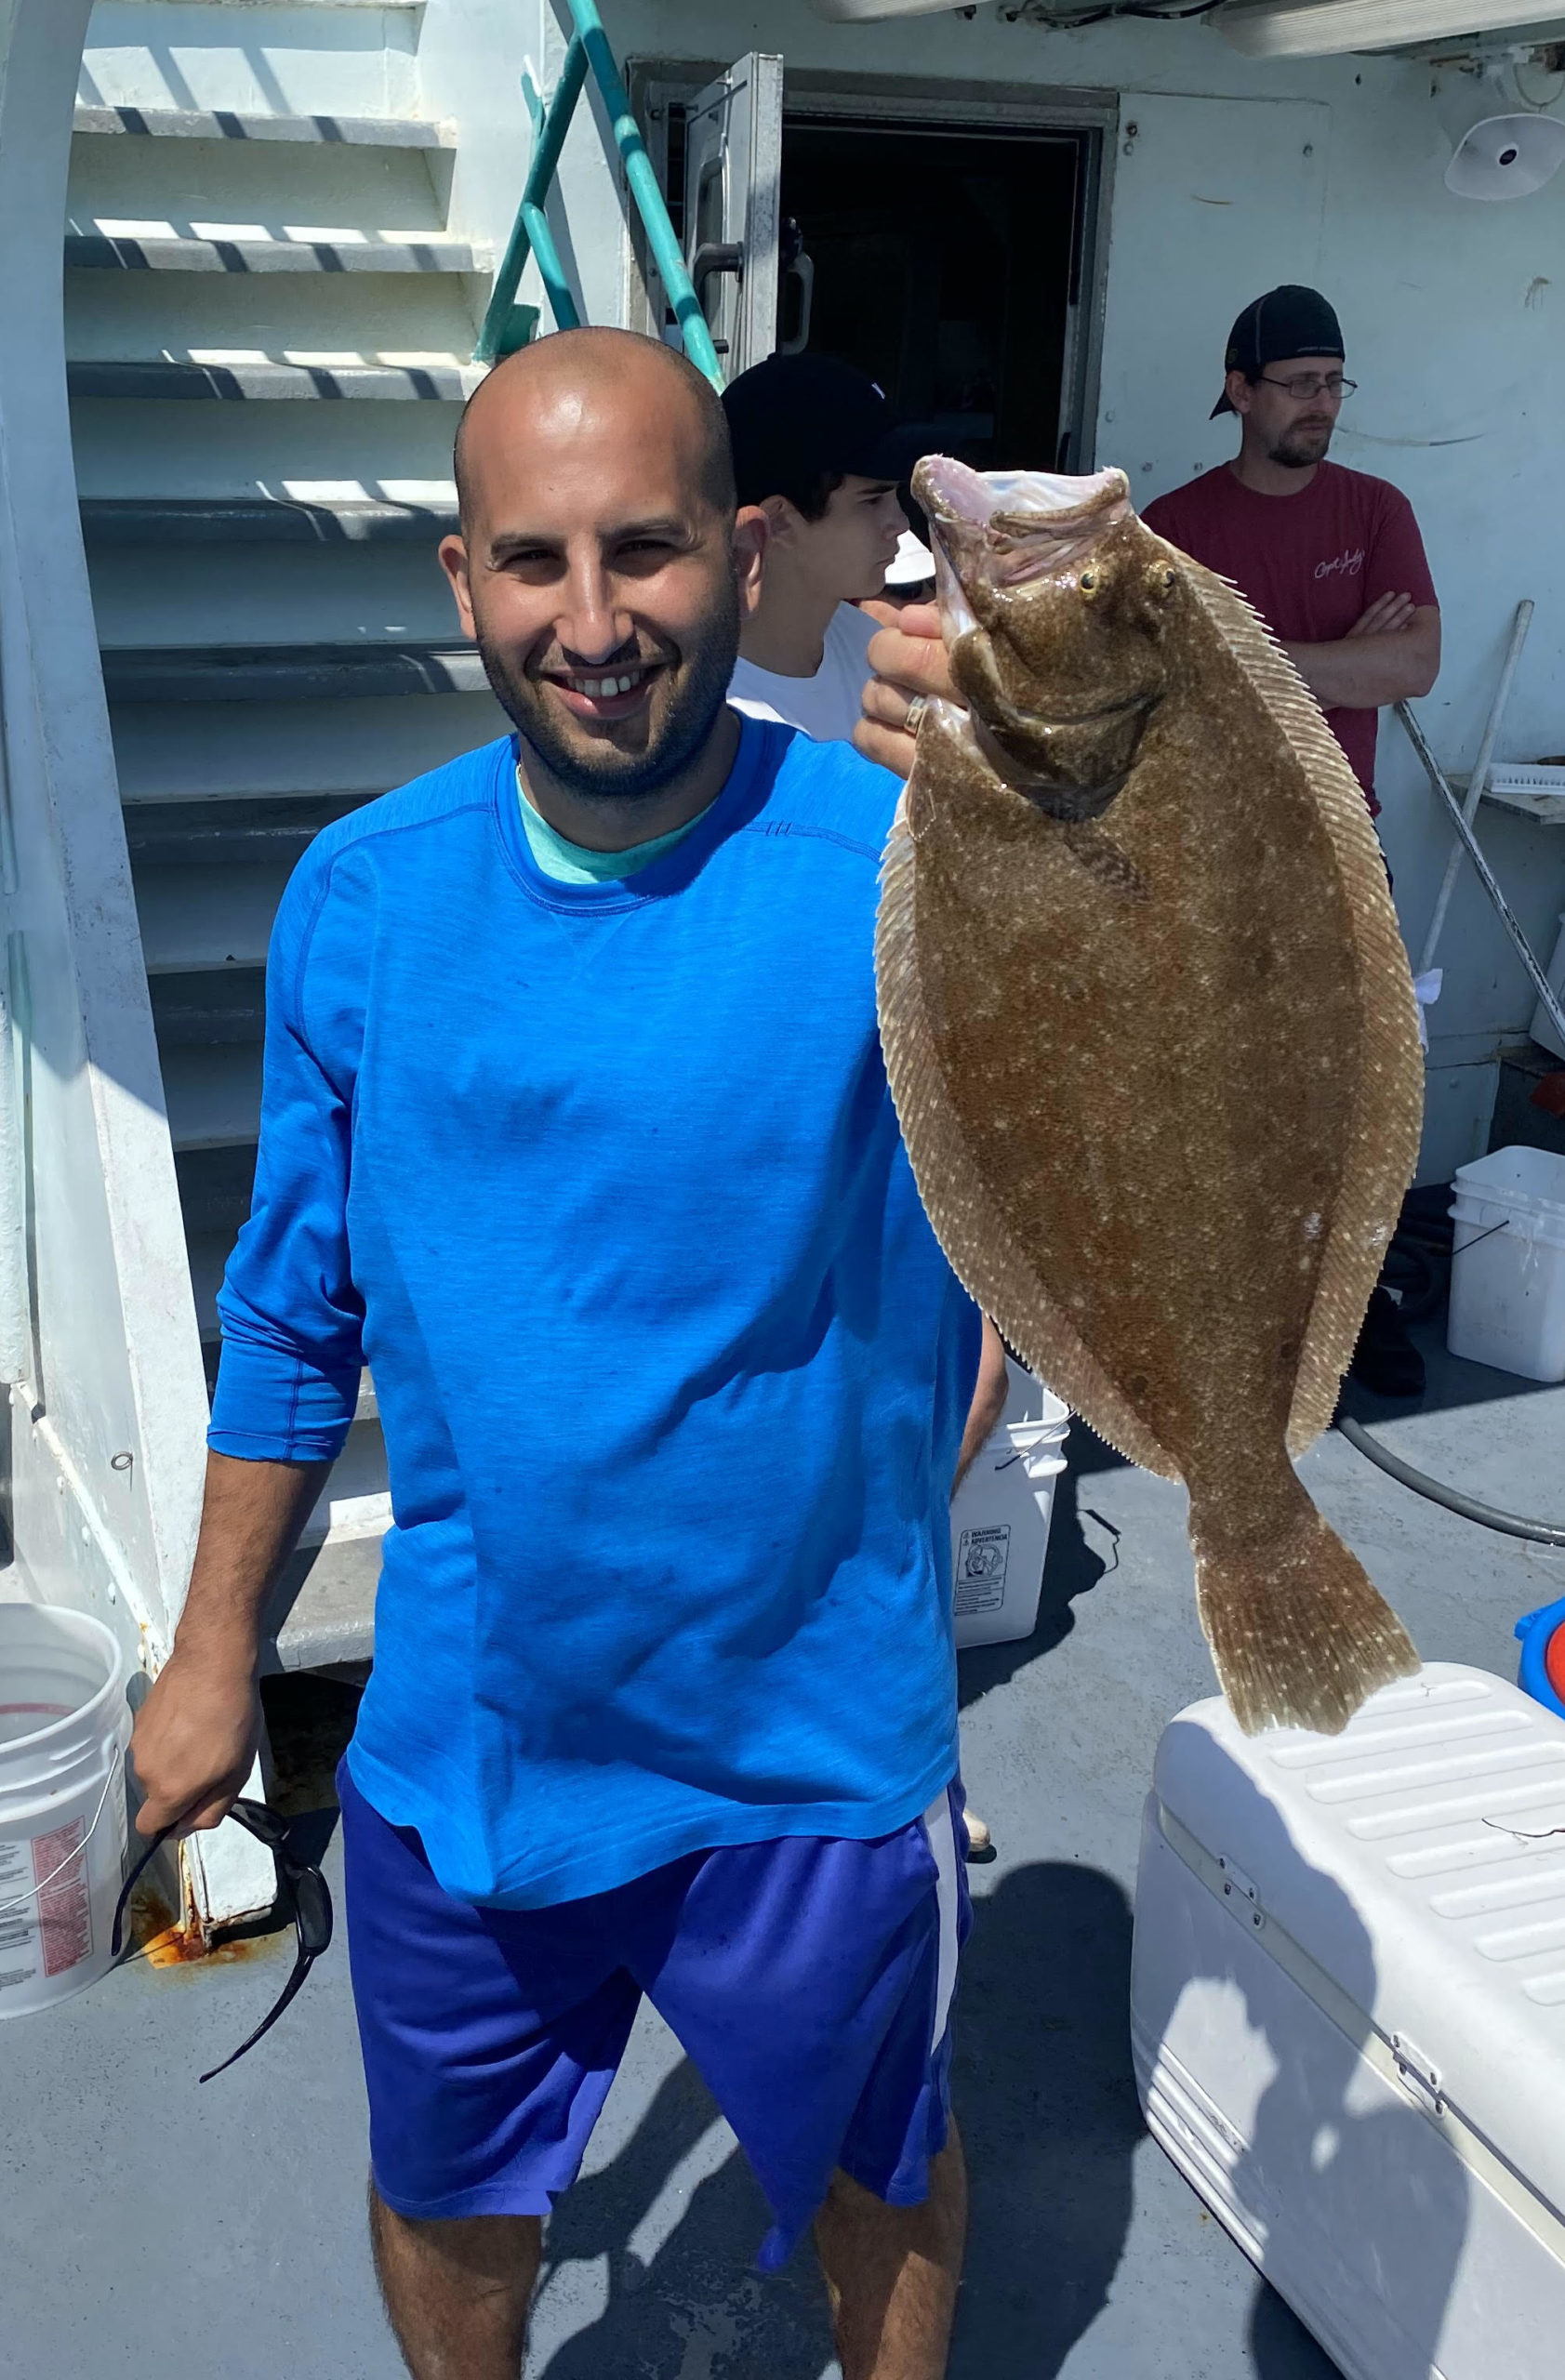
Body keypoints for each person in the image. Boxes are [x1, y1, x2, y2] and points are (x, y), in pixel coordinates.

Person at [128, 325, 983, 2380]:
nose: (592, 623)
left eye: (647, 553)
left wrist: (1060, 801)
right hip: (477, 1737)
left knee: (881, 2155)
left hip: (809, 1744)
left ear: (747, 550)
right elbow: (287, 1302)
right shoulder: (363, 896)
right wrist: (212, 1646)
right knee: (450, 2191)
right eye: (534, 562)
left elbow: (1124, 1135)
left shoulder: (904, 863)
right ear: (461, 580)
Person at [1143, 285, 1439, 1398]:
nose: (1325, 405)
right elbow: (1168, 696)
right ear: (1240, 389)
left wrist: (1258, 661)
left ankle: (1349, 1314)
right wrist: (1328, 655)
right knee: (1217, 1101)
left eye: (1335, 383)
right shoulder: (1172, 532)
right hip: (1215, 862)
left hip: (1341, 855)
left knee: (1349, 1102)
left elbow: (1411, 666)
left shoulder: (1375, 511)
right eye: (1303, 384)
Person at [723, 351, 912, 742]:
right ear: (778, 522)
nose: (901, 524)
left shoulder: (868, 645)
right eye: (872, 500)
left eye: (895, 496)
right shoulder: (709, 715)